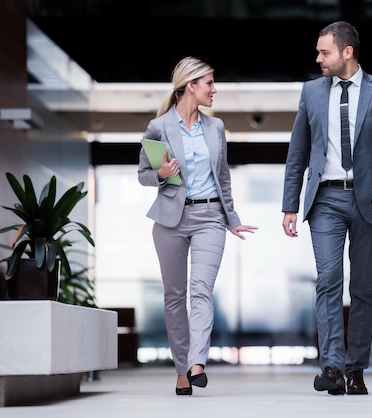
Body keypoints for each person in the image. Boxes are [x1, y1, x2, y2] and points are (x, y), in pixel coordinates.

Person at [281, 21, 372, 395]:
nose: (318, 58)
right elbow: (298, 154)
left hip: (371, 198)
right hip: (325, 199)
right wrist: (290, 204)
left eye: (325, 52)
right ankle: (333, 367)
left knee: (363, 287)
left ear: (347, 52)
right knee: (328, 280)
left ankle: (356, 369)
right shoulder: (311, 93)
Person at [138, 56, 258, 396]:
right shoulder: (159, 127)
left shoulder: (215, 127)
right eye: (208, 83)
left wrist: (231, 219)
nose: (213, 89)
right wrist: (160, 175)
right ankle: (181, 370)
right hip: (170, 220)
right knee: (175, 297)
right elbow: (143, 174)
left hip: (210, 219)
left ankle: (197, 362)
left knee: (201, 290)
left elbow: (223, 178)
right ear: (190, 86)